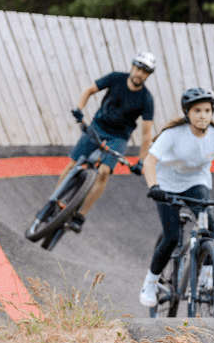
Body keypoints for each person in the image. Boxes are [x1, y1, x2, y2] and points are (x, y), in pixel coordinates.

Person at [139, 87, 214, 308]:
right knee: (172, 236)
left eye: (207, 110)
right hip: (166, 185)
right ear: (187, 113)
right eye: (197, 110)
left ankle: (206, 279)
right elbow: (149, 162)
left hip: (196, 183)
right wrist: (154, 186)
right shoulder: (173, 134)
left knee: (209, 229)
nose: (203, 115)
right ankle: (151, 282)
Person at [58, 52, 157, 232]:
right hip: (97, 127)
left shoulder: (146, 99)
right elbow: (89, 90)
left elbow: (146, 133)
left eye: (145, 71)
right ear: (132, 66)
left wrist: (141, 161)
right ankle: (56, 199)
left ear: (148, 75)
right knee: (73, 163)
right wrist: (79, 109)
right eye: (138, 68)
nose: (140, 73)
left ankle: (80, 216)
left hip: (118, 137)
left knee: (104, 172)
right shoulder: (115, 78)